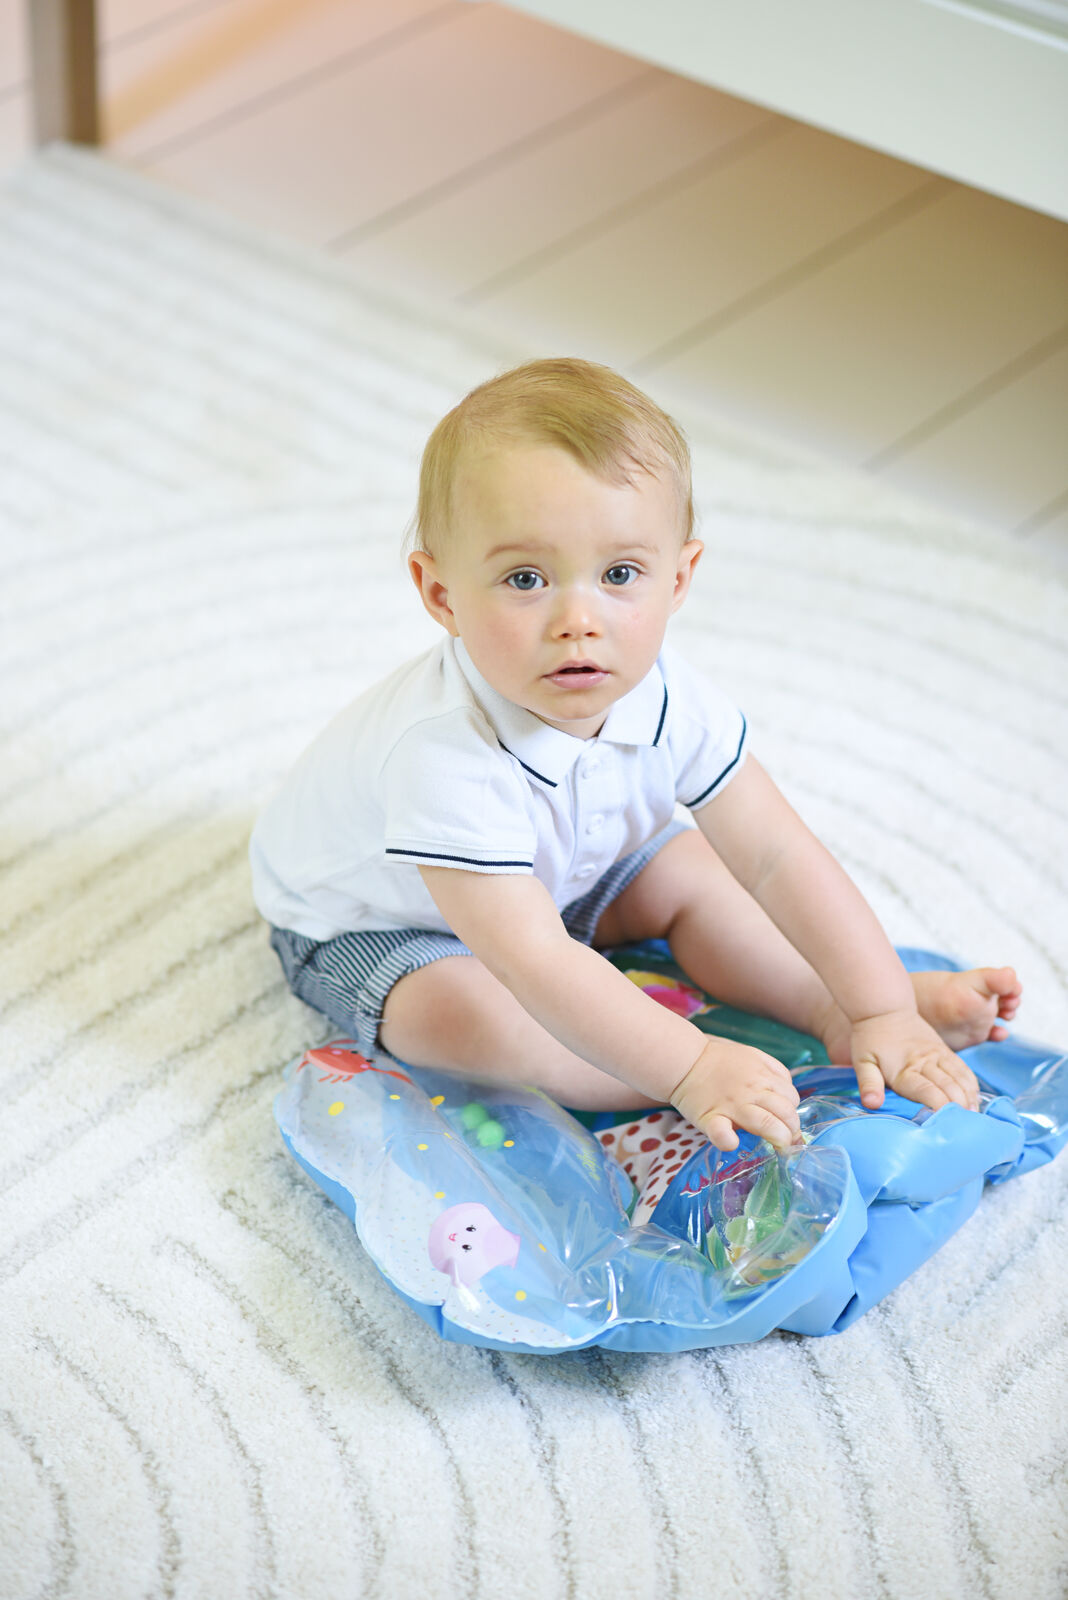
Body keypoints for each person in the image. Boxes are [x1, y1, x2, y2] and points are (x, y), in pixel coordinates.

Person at [250, 358, 1021, 1152]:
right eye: (525, 579)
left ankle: (827, 1010)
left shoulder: (666, 693)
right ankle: (655, 1080)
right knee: (475, 1015)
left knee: (698, 873)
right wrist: (689, 1065)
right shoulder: (444, 756)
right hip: (382, 927)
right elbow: (534, 959)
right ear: (441, 594)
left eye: (619, 574)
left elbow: (777, 854)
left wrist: (880, 1005)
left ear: (679, 578)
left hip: (564, 872)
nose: (578, 620)